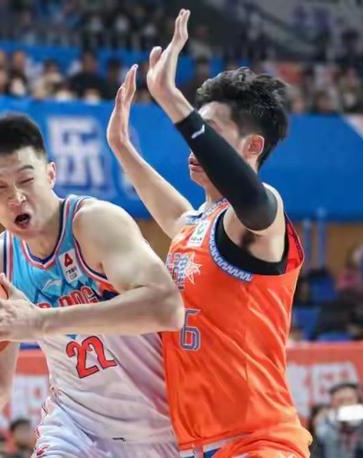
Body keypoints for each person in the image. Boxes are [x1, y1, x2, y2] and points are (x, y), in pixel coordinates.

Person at [0, 114, 183, 457]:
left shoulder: (94, 223)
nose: (16, 197)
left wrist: (42, 321)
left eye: (26, 180)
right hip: (75, 428)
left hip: (162, 427)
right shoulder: (0, 260)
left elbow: (167, 308)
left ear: (51, 174)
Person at [106, 9, 311, 457]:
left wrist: (169, 97)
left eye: (207, 133)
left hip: (259, 442)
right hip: (198, 445)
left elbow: (250, 197)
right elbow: (174, 213)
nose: (192, 144)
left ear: (252, 146)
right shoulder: (197, 225)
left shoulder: (261, 213)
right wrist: (122, 148)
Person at [314, 383, 363, 458]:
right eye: (341, 401)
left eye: (350, 400)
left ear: (358, 401)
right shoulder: (323, 431)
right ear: (333, 404)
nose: (346, 404)